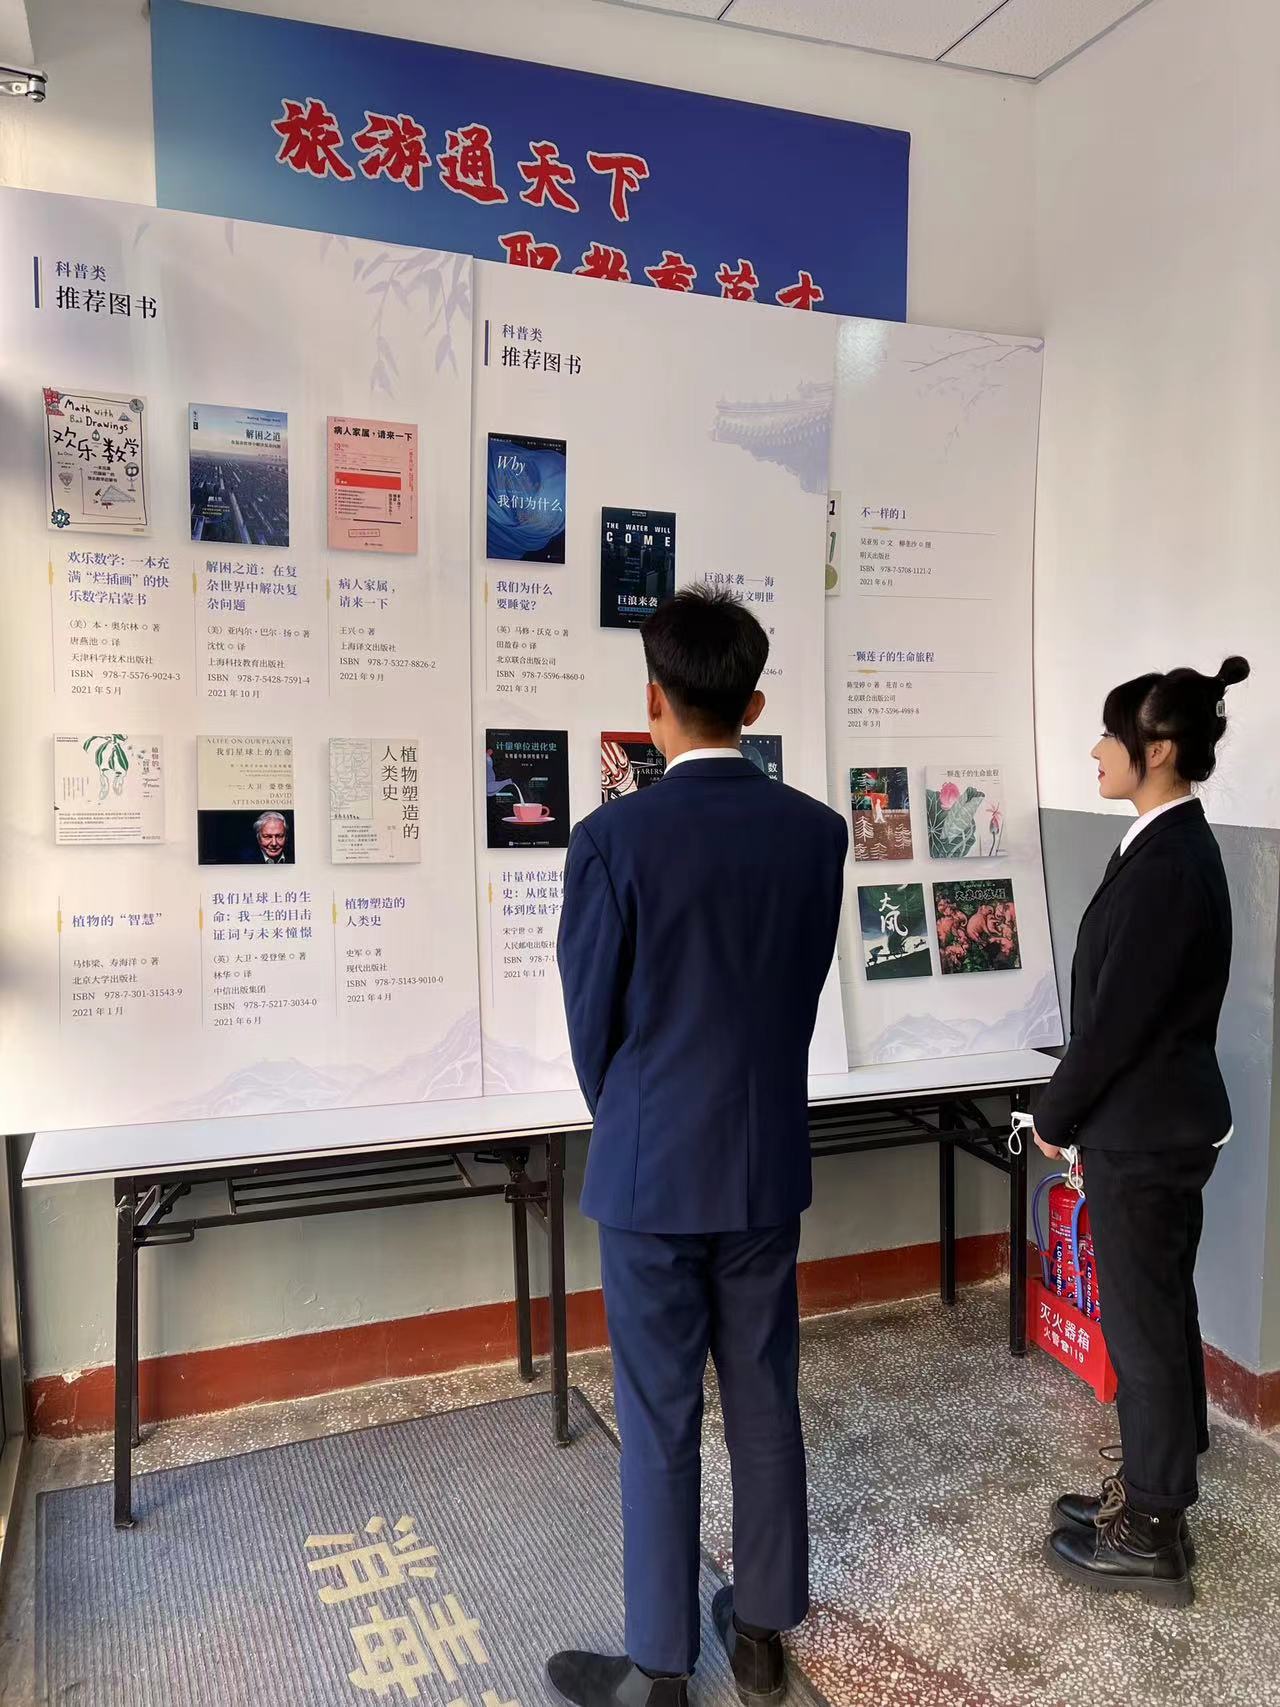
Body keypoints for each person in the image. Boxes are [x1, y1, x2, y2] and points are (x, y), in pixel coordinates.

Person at [549, 589, 847, 1707]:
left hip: (648, 1171)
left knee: (659, 1416)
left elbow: (591, 1023)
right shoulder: (815, 834)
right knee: (765, 1398)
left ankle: (659, 1670)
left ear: (653, 704)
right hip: (763, 1160)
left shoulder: (610, 840)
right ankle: (762, 1636)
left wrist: (632, 1114)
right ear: (754, 706)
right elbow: (795, 994)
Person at [1035, 655, 1250, 1608]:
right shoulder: (1164, 844)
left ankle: (1154, 1529)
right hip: (1154, 1122)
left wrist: (1056, 1113)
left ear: (1156, 750)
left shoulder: (1168, 863)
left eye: (1110, 734)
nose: (1095, 749)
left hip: (1147, 1131)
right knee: (1155, 1311)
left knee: (1145, 1322)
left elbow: (1116, 1021)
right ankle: (1153, 1489)